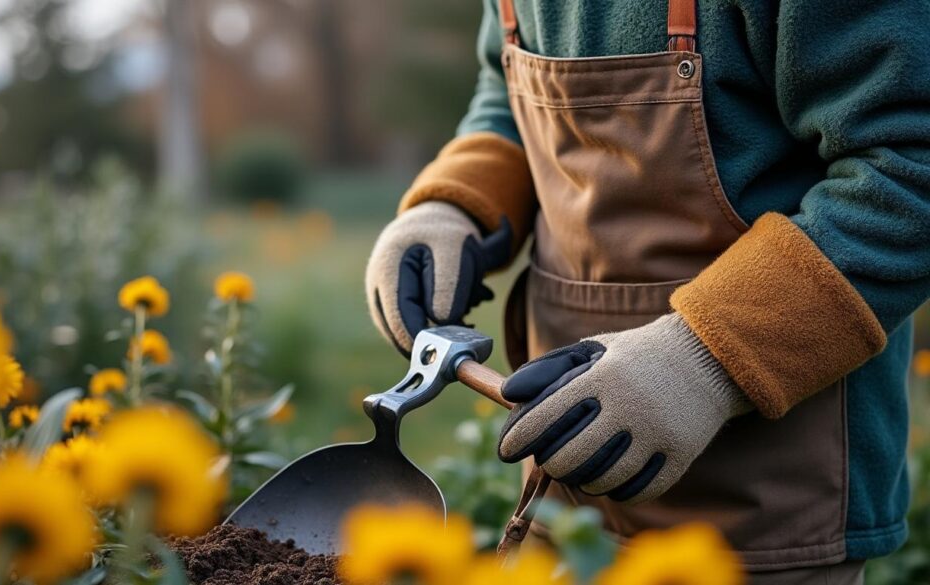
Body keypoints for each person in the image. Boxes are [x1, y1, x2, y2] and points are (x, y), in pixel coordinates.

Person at [365, 0, 930, 583]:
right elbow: (505, 93)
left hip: (765, 521)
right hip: (559, 482)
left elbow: (910, 169)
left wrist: (701, 362)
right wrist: (456, 202)